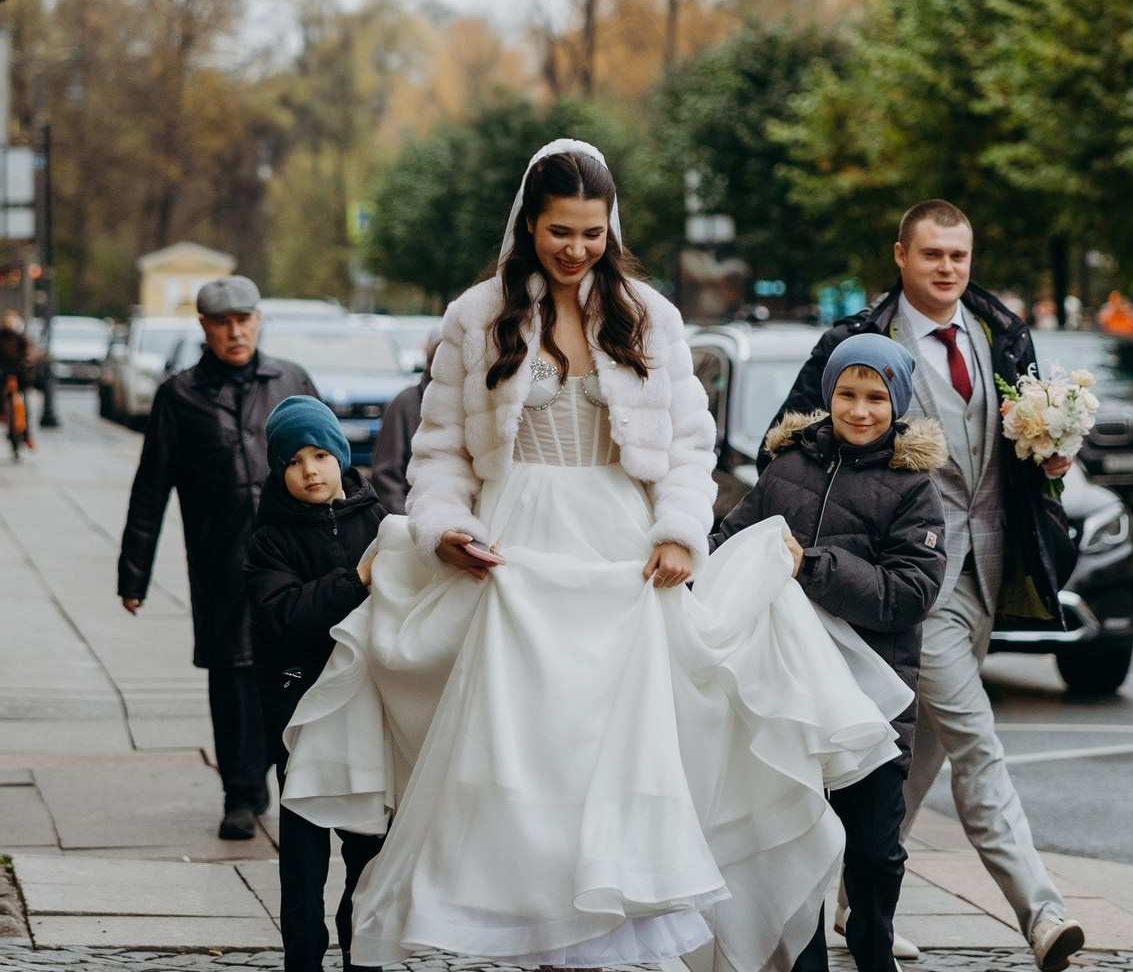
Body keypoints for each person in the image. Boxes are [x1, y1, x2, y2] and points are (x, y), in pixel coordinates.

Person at [281, 139, 914, 972]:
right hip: (513, 553)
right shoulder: (475, 317)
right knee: (523, 755)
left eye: (590, 233)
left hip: (624, 553)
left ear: (609, 227)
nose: (575, 250)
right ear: (529, 225)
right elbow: (437, 453)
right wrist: (441, 530)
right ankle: (532, 934)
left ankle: (610, 934)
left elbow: (692, 448)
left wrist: (683, 533)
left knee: (619, 754)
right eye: (558, 233)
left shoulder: (651, 314)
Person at [766, 200, 1085, 972]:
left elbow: (1010, 446)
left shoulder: (1000, 335)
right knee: (975, 738)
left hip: (987, 568)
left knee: (923, 748)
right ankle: (1041, 910)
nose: (948, 267)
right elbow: (791, 444)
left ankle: (856, 897)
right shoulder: (855, 344)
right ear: (901, 256)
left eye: (960, 255)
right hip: (901, 581)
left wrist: (1047, 461)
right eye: (933, 253)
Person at [714, 334, 947, 972]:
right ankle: (805, 960)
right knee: (796, 839)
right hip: (789, 693)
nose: (860, 410)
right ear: (828, 394)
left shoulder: (913, 488)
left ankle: (873, 947)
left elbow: (909, 593)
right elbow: (728, 542)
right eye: (848, 393)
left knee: (874, 846)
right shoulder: (785, 469)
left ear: (896, 403)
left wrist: (810, 565)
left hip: (870, 700)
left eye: (876, 397)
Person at [117, 276, 319, 841]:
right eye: (223, 322)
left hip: (291, 561)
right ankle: (241, 793)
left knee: (295, 672)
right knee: (232, 678)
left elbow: (330, 466)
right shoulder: (180, 396)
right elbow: (150, 487)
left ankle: (297, 788)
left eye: (245, 320)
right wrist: (134, 572)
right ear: (205, 328)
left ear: (258, 321)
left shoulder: (291, 380)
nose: (236, 331)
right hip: (220, 562)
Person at [246, 396, 386, 972]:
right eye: (295, 459)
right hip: (300, 707)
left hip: (365, 709)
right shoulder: (268, 539)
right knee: (304, 850)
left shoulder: (376, 520)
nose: (310, 469)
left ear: (341, 456)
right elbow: (283, 614)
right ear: (279, 470)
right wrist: (354, 579)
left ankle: (364, 950)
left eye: (321, 454)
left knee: (368, 844)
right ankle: (302, 955)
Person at [368, 326, 442, 514]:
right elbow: (386, 475)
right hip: (415, 521)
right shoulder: (406, 404)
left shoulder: (475, 405)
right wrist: (406, 523)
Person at [0, 309, 35, 450]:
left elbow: (29, 351)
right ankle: (3, 414)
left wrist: (27, 361)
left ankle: (26, 435)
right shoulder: (1, 337)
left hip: (19, 374)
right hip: (4, 372)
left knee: (24, 404)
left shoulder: (21, 338)